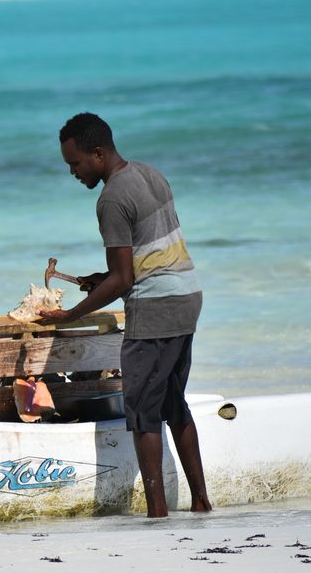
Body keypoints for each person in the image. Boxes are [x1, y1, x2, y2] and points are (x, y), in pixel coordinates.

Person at [38, 112, 211, 518]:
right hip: (186, 295)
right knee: (173, 403)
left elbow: (122, 279)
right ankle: (201, 502)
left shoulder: (111, 199)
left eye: (75, 163)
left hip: (156, 309)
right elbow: (148, 255)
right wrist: (105, 278)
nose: (73, 172)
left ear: (98, 154)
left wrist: (69, 315)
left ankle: (157, 512)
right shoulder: (150, 173)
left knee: (141, 411)